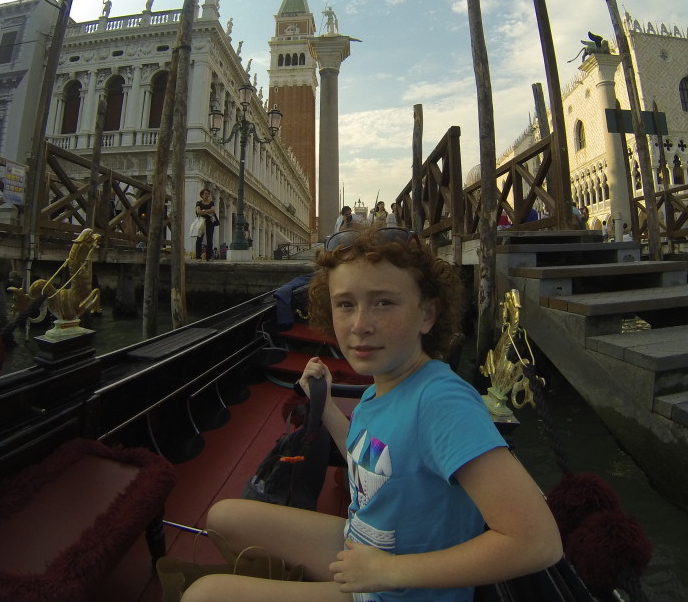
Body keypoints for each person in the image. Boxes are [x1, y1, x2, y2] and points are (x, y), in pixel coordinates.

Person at [185, 227, 562, 601]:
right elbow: (371, 464)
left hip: (398, 590)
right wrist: (326, 403)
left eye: (383, 303)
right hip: (363, 543)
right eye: (345, 304)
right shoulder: (378, 390)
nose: (360, 325)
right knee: (223, 518)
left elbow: (537, 541)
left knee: (203, 596)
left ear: (427, 315)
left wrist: (389, 571)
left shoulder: (441, 402)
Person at [195, 188, 218, 260]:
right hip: (201, 222)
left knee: (210, 239)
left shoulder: (211, 202)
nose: (207, 195)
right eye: (205, 193)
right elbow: (198, 211)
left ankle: (209, 256)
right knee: (199, 239)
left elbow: (213, 210)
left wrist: (203, 211)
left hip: (210, 222)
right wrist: (208, 211)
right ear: (202, 195)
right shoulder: (199, 203)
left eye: (208, 193)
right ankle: (198, 256)